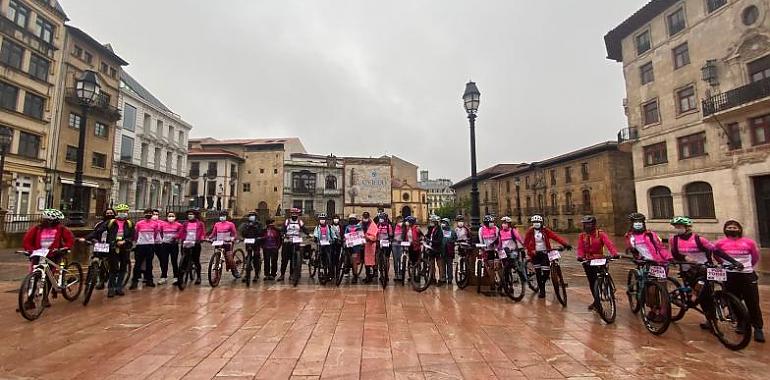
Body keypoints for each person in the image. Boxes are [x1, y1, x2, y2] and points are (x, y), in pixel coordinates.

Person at [668, 216, 742, 330]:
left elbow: (717, 251)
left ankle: (711, 320)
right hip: (687, 270)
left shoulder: (699, 239)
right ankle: (703, 313)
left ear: (687, 228)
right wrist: (685, 257)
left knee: (706, 295)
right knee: (698, 295)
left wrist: (734, 262)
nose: (677, 229)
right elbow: (675, 254)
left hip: (704, 269)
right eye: (676, 227)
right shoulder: (674, 240)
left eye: (679, 227)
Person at [714, 220, 764, 343]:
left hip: (747, 275)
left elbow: (755, 257)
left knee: (752, 302)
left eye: (734, 227)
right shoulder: (720, 243)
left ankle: (758, 328)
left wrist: (748, 267)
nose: (732, 229)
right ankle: (741, 323)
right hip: (730, 276)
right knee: (734, 301)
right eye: (729, 227)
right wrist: (724, 264)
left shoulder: (749, 242)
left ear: (739, 229)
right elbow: (716, 255)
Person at [22, 209, 74, 308]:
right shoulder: (37, 229)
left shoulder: (61, 229)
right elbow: (27, 240)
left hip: (53, 255)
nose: (58, 222)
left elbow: (70, 239)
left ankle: (45, 298)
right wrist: (30, 250)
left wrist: (64, 248)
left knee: (49, 276)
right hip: (38, 254)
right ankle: (29, 300)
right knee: (34, 276)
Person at [576, 215, 619, 310]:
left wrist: (614, 253)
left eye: (589, 224)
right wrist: (580, 256)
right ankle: (596, 300)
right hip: (588, 260)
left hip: (600, 258)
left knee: (603, 274)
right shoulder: (582, 236)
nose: (587, 226)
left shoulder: (600, 234)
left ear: (594, 224)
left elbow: (609, 244)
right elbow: (580, 248)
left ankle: (608, 288)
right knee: (592, 281)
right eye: (585, 224)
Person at [523, 214, 572, 298]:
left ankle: (542, 283)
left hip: (545, 252)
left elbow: (555, 237)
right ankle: (542, 290)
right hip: (535, 254)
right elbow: (526, 243)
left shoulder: (545, 230)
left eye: (538, 222)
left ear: (541, 222)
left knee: (546, 272)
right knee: (538, 272)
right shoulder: (530, 231)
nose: (536, 223)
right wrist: (531, 250)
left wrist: (565, 244)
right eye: (534, 222)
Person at [82, 208, 116, 290]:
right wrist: (87, 239)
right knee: (95, 261)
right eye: (107, 213)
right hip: (100, 245)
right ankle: (89, 280)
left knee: (109, 263)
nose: (109, 215)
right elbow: (95, 233)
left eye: (111, 213)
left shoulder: (116, 223)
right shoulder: (99, 224)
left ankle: (104, 281)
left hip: (111, 245)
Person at [105, 204, 135, 296]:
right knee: (113, 268)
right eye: (121, 212)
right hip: (113, 247)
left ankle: (119, 287)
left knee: (123, 268)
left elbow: (132, 236)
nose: (123, 214)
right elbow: (104, 233)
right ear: (117, 213)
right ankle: (111, 288)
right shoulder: (111, 222)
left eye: (125, 212)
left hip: (125, 248)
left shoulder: (130, 223)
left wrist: (125, 241)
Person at [131, 208, 159, 290]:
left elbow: (155, 233)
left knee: (149, 264)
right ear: (144, 214)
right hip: (140, 245)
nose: (149, 214)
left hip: (150, 245)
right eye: (147, 213)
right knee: (137, 264)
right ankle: (134, 281)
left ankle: (149, 280)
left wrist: (151, 241)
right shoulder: (139, 223)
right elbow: (136, 234)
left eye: (150, 213)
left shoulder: (155, 224)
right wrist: (137, 241)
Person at [208, 210, 240, 279]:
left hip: (227, 243)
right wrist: (209, 238)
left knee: (229, 258)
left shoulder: (230, 224)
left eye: (223, 216)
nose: (222, 217)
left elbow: (235, 234)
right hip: (219, 243)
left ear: (226, 217)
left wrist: (232, 239)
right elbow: (213, 234)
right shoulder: (217, 224)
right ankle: (216, 275)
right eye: (221, 216)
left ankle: (235, 270)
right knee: (217, 258)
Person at [278, 208, 306, 281]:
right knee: (284, 259)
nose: (294, 215)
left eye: (295, 214)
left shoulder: (300, 222)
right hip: (287, 241)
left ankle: (292, 274)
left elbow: (304, 229)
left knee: (294, 259)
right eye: (293, 213)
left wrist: (309, 234)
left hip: (296, 241)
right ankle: (282, 274)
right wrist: (283, 235)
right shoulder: (287, 221)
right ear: (291, 214)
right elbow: (282, 230)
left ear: (297, 214)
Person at [179, 208, 205, 285]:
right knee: (184, 259)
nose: (190, 216)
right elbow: (181, 232)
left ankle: (199, 277)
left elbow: (203, 233)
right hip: (186, 243)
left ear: (195, 215)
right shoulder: (185, 224)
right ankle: (181, 277)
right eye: (189, 214)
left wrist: (202, 238)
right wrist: (177, 238)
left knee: (196, 260)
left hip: (196, 243)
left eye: (191, 214)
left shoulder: (200, 224)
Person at [313, 213, 338, 282]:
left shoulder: (330, 227)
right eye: (321, 219)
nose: (322, 220)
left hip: (328, 244)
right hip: (320, 244)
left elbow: (333, 235)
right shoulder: (317, 227)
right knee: (319, 254)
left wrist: (335, 239)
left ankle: (330, 272)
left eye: (323, 219)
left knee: (329, 257)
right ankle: (317, 262)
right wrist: (315, 238)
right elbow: (316, 234)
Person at [159, 211, 182, 285]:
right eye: (169, 216)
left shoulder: (179, 225)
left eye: (172, 216)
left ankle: (176, 277)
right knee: (164, 261)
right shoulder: (163, 224)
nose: (171, 217)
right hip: (164, 244)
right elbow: (161, 233)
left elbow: (181, 233)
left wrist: (176, 238)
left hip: (174, 245)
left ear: (175, 217)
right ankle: (163, 277)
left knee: (174, 261)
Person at [240, 210, 263, 282]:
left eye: (253, 215)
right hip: (248, 242)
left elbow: (261, 232)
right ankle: (247, 274)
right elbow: (242, 233)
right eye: (250, 215)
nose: (251, 217)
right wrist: (247, 228)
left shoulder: (259, 224)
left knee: (256, 257)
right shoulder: (245, 224)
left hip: (256, 242)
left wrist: (255, 227)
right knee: (248, 258)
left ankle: (256, 274)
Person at [478, 215, 500, 290]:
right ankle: (492, 282)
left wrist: (497, 247)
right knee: (490, 266)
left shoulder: (496, 228)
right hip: (487, 250)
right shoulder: (481, 229)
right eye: (490, 222)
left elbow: (498, 238)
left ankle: (502, 281)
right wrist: (483, 248)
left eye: (492, 222)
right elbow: (481, 240)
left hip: (496, 249)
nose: (492, 223)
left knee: (498, 265)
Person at [343, 214, 365, 284]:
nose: (352, 220)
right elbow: (345, 235)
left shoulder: (359, 227)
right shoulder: (347, 227)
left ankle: (355, 275)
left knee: (354, 260)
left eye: (353, 219)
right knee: (346, 257)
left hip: (355, 246)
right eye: (351, 219)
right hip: (349, 245)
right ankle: (347, 268)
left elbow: (361, 236)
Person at [402, 216, 423, 281]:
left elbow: (422, 236)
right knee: (411, 261)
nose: (407, 222)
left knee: (417, 262)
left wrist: (419, 240)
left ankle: (418, 276)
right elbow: (405, 237)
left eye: (408, 221)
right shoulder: (407, 228)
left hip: (416, 247)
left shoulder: (417, 228)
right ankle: (412, 276)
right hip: (410, 246)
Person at [375, 213, 394, 284]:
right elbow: (375, 233)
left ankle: (387, 274)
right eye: (380, 218)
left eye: (382, 218)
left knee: (387, 258)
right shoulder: (378, 225)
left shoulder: (388, 226)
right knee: (379, 257)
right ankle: (380, 272)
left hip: (387, 243)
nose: (381, 219)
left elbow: (391, 235)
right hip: (379, 242)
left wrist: (389, 240)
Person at [361, 211, 380, 283]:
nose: (365, 218)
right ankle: (368, 275)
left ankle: (370, 275)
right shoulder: (360, 224)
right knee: (365, 260)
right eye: (364, 217)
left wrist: (368, 237)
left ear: (369, 217)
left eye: (366, 217)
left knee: (370, 260)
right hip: (362, 244)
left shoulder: (373, 225)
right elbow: (356, 230)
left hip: (370, 244)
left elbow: (374, 235)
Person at [438, 218, 457, 285]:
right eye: (442, 222)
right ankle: (443, 278)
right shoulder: (440, 231)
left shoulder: (452, 231)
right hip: (442, 251)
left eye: (444, 222)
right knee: (443, 265)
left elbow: (455, 239)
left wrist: (451, 242)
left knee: (449, 266)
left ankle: (450, 279)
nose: (443, 224)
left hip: (449, 251)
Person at [392, 216, 406, 282]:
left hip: (401, 244)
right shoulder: (394, 226)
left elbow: (406, 235)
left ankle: (400, 274)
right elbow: (391, 234)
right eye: (399, 221)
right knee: (395, 260)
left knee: (400, 260)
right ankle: (396, 274)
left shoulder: (404, 227)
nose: (400, 222)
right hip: (394, 244)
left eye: (401, 221)